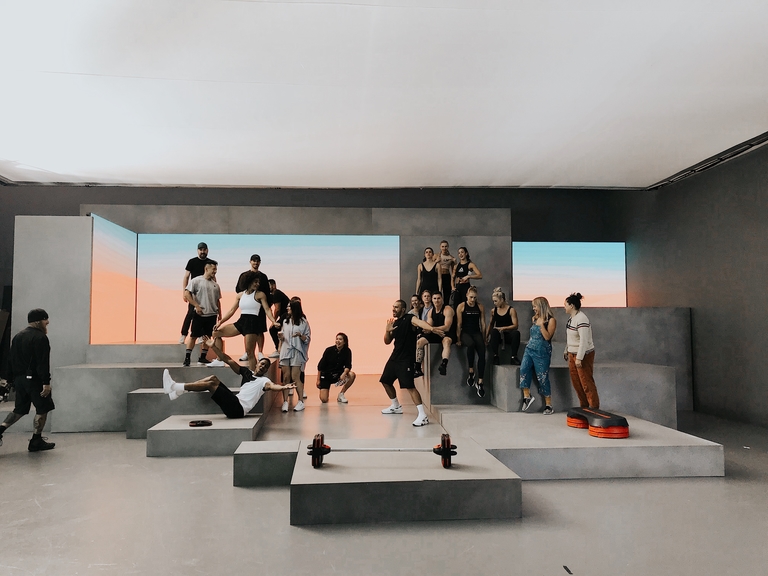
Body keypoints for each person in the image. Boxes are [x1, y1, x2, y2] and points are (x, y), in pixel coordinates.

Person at [162, 338, 294, 418]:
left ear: (266, 371)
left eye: (265, 367)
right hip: (235, 402)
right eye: (262, 364)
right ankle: (180, 391)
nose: (263, 367)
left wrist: (283, 387)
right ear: (257, 364)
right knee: (213, 378)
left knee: (211, 385)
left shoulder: (264, 381)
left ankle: (174, 386)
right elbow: (228, 360)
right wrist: (213, 346)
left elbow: (272, 386)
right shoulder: (247, 373)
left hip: (238, 410)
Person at [0, 309, 55, 452]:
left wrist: (10, 380)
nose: (47, 322)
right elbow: (43, 363)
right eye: (45, 319)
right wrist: (46, 383)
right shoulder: (41, 338)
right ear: (38, 321)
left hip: (19, 380)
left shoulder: (18, 337)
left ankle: (1, 429)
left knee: (19, 409)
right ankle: (36, 440)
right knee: (43, 408)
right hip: (35, 380)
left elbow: (10, 359)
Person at [380, 299, 435, 426]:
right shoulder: (395, 323)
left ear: (403, 309)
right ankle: (395, 406)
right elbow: (387, 341)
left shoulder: (410, 318)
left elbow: (420, 323)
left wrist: (432, 329)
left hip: (406, 359)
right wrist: (387, 331)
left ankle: (423, 415)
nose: (393, 309)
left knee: (410, 386)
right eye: (393, 307)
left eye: (396, 307)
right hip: (395, 357)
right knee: (385, 381)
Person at [212, 272, 276, 371]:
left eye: (258, 282)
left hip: (252, 324)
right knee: (216, 333)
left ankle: (253, 375)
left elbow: (267, 309)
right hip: (241, 322)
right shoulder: (240, 295)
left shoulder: (260, 295)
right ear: (249, 282)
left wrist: (273, 321)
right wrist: (220, 322)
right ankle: (219, 359)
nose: (258, 284)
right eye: (255, 282)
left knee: (250, 352)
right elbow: (231, 311)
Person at [520, 297, 557, 415]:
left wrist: (541, 326)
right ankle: (527, 396)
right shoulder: (534, 318)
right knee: (523, 369)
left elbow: (547, 337)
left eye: (535, 306)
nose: (534, 309)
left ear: (541, 306)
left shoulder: (551, 320)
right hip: (529, 349)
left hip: (542, 352)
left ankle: (548, 405)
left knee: (542, 377)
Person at [564, 292, 599, 409]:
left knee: (586, 382)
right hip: (572, 353)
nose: (564, 307)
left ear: (571, 306)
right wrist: (567, 349)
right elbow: (571, 337)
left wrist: (579, 358)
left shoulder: (582, 318)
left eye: (565, 305)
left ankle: (594, 407)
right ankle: (584, 406)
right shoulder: (572, 318)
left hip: (583, 355)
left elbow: (584, 340)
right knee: (577, 383)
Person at [182, 260, 221, 366]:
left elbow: (218, 301)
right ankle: (187, 358)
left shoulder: (215, 285)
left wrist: (220, 315)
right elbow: (187, 293)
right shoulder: (196, 281)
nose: (215, 271)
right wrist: (196, 305)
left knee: (207, 337)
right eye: (213, 269)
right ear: (206, 269)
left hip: (212, 315)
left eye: (216, 269)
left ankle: (202, 357)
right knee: (194, 336)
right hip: (199, 315)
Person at [235, 255, 272, 360]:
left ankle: (260, 352)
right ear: (250, 262)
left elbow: (267, 293)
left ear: (260, 262)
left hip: (260, 307)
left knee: (260, 330)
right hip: (248, 306)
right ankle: (247, 352)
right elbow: (238, 289)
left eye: (257, 261)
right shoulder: (244, 275)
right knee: (246, 331)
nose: (255, 263)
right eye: (254, 261)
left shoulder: (263, 276)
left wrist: (267, 306)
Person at [278, 300, 311, 412]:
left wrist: (300, 335)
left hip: (297, 351)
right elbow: (283, 336)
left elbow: (307, 338)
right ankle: (285, 401)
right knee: (286, 377)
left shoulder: (303, 322)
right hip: (286, 351)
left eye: (289, 307)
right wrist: (281, 337)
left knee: (295, 377)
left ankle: (300, 401)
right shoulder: (285, 321)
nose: (287, 308)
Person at [414, 292, 456, 378]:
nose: (437, 300)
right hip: (436, 333)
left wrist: (433, 329)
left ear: (442, 299)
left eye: (438, 298)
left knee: (446, 341)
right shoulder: (430, 312)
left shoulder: (448, 309)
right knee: (420, 342)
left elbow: (447, 327)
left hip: (447, 333)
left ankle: (444, 364)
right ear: (432, 300)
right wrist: (427, 329)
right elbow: (429, 326)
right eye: (435, 298)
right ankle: (417, 368)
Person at [456, 287, 487, 397]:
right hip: (465, 332)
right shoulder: (461, 306)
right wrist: (458, 339)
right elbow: (459, 324)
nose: (472, 300)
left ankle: (480, 382)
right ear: (467, 296)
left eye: (474, 297)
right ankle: (471, 371)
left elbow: (483, 323)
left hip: (476, 332)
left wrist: (484, 338)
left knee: (482, 353)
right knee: (471, 344)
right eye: (471, 297)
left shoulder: (480, 307)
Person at [180, 242, 211, 344]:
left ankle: (201, 335)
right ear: (198, 251)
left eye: (204, 250)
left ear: (207, 250)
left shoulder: (210, 263)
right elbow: (186, 277)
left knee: (203, 314)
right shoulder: (192, 262)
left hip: (205, 292)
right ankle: (183, 334)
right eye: (200, 250)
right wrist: (185, 291)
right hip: (193, 292)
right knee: (190, 313)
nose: (202, 252)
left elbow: (213, 277)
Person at [315, 333, 356, 404]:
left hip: (338, 374)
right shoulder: (328, 350)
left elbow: (348, 365)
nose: (338, 341)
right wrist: (318, 380)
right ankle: (326, 390)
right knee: (324, 400)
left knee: (352, 375)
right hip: (326, 375)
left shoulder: (347, 351)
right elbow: (320, 366)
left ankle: (341, 394)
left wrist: (344, 373)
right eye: (337, 339)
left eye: (340, 339)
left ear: (344, 342)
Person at [487, 288, 521, 365]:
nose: (494, 303)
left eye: (496, 301)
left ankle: (514, 357)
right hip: (498, 335)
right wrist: (486, 337)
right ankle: (496, 356)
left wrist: (503, 328)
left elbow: (515, 325)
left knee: (516, 333)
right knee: (494, 332)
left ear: (502, 300)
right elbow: (491, 324)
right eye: (493, 301)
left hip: (508, 334)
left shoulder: (511, 310)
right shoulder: (493, 311)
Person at [267, 279, 290, 358]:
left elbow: (277, 309)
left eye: (268, 286)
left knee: (273, 329)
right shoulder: (272, 295)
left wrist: (274, 321)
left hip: (287, 316)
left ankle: (278, 350)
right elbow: (268, 306)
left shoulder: (277, 293)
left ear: (273, 285)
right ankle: (280, 348)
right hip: (283, 316)